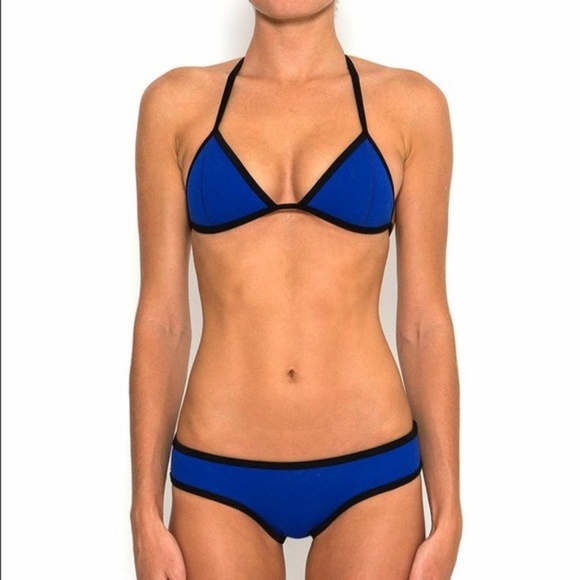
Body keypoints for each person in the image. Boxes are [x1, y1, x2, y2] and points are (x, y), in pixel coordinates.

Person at [129, 1, 462, 578]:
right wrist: (142, 509)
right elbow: (163, 320)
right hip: (217, 475)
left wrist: (450, 509)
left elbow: (423, 322)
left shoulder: (411, 106)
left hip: (373, 473)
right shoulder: (175, 105)